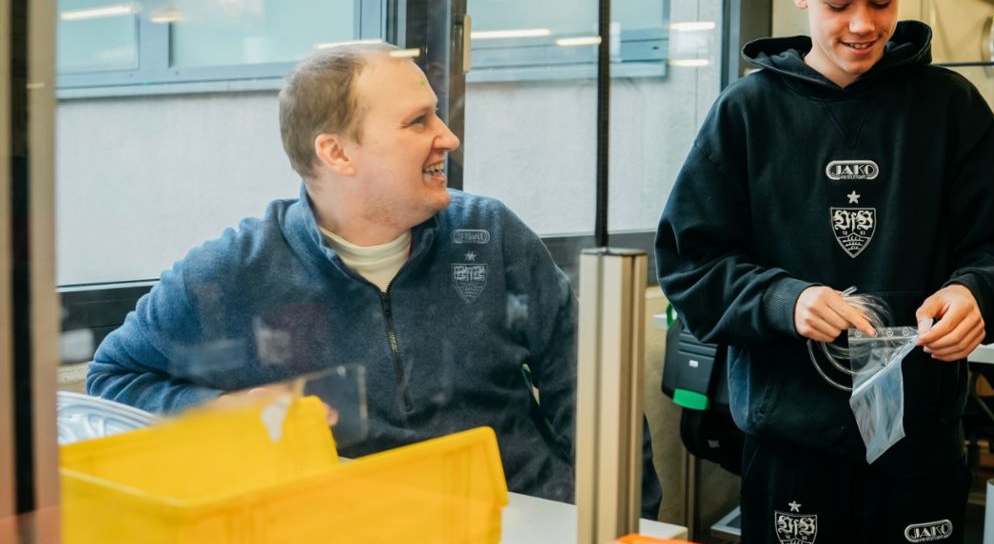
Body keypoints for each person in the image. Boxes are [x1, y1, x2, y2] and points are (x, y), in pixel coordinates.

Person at [654, 0, 994, 544]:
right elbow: (691, 263)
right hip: (792, 443)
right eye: (839, 3)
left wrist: (976, 291)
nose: (864, 25)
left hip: (918, 446)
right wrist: (782, 300)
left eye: (882, 0)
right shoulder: (746, 114)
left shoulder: (950, 110)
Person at [88, 43, 660, 515]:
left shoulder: (490, 235)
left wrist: (619, 526)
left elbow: (590, 391)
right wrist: (224, 411)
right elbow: (112, 378)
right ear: (337, 153)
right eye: (418, 121)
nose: (449, 137)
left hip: (526, 522)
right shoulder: (234, 270)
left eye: (436, 113)